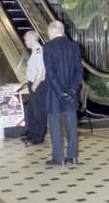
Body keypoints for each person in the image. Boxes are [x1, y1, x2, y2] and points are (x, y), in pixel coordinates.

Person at [42, 21, 83, 167]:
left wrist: (60, 92)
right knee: (71, 124)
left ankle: (58, 158)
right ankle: (72, 156)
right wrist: (71, 90)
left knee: (55, 125)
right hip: (71, 93)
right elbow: (79, 71)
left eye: (48, 31)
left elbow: (50, 73)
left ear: (53, 30)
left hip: (54, 93)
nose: (47, 34)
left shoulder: (48, 47)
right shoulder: (74, 46)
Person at [23, 31, 46, 146]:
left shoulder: (38, 50)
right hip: (32, 83)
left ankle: (39, 137)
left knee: (38, 112)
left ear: (32, 39)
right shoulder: (34, 51)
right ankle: (32, 133)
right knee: (32, 111)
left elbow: (41, 70)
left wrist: (35, 85)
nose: (25, 42)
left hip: (37, 85)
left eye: (26, 39)